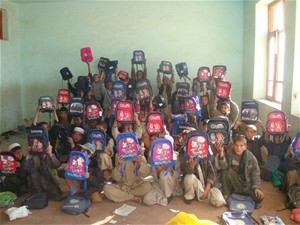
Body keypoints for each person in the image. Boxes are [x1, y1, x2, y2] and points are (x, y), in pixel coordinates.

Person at [215, 135, 264, 208]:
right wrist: (221, 154)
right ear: (233, 145)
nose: (238, 148)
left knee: (259, 197)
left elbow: (255, 173)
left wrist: (257, 187)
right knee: (225, 171)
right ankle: (227, 194)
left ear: (245, 146)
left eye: (241, 146)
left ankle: (237, 195)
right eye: (236, 145)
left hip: (246, 184)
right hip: (234, 183)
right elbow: (223, 167)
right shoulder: (229, 154)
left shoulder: (251, 157)